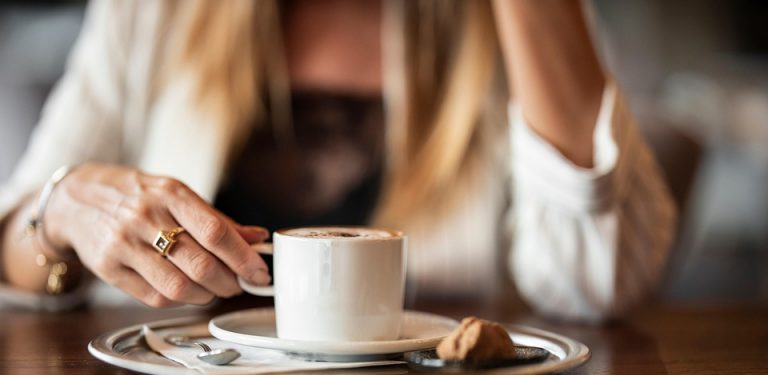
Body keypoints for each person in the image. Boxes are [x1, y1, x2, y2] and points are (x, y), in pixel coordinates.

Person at [0, 0, 676, 321]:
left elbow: (601, 279)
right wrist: (61, 210)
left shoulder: (505, 25)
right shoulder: (155, 15)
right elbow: (12, 245)